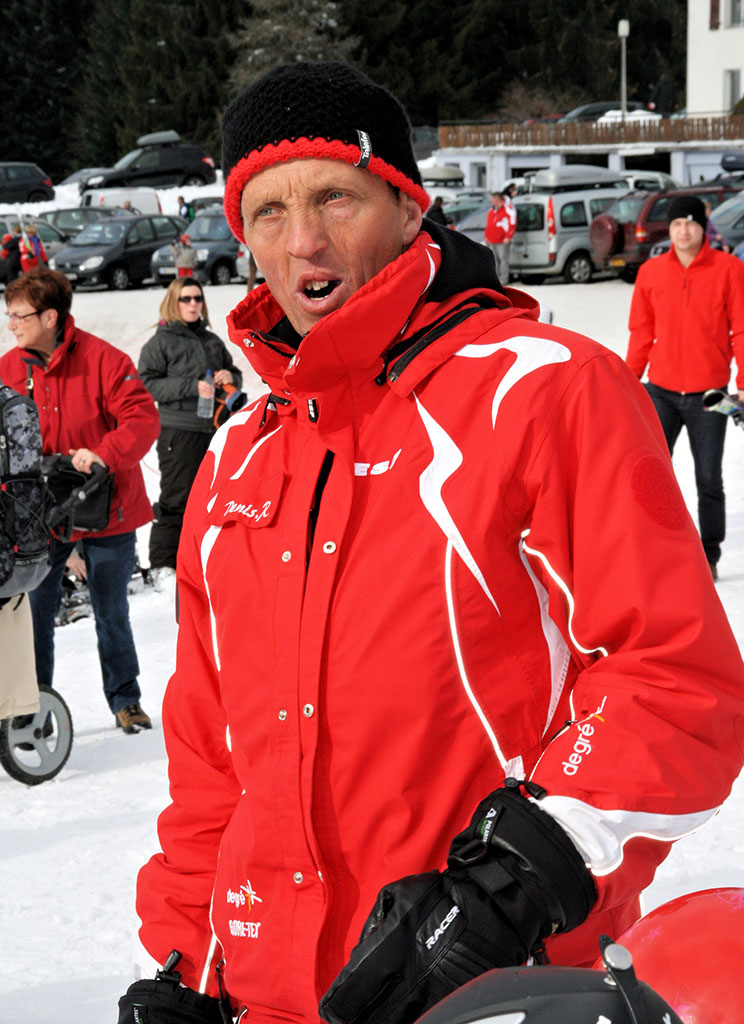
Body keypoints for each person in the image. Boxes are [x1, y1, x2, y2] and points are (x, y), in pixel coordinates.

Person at [119, 63, 744, 1024]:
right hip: (278, 995)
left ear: (410, 209)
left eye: (336, 195)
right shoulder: (238, 455)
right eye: (268, 212)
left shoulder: (540, 390)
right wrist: (190, 964)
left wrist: (512, 885)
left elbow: (673, 680)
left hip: (494, 985)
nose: (306, 241)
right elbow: (213, 756)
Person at [0, 269, 160, 734]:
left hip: (106, 508)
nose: (11, 324)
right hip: (39, 517)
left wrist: (104, 454)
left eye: (18, 315)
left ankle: (125, 699)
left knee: (112, 613)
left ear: (49, 316)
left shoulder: (104, 360)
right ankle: (32, 708)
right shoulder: (10, 368)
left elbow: (142, 419)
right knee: (34, 616)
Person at [626, 195, 744, 579]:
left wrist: (742, 384)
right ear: (669, 228)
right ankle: (653, 547)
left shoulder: (729, 269)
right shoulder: (651, 273)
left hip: (710, 395)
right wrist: (629, 381)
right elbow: (641, 332)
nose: (683, 231)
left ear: (702, 226)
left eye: (690, 223)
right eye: (677, 224)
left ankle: (708, 554)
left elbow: (741, 330)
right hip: (660, 391)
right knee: (650, 475)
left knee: (709, 478)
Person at [137, 277, 242, 590]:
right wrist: (189, 386)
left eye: (197, 298)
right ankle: (163, 563)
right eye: (186, 299)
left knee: (214, 495)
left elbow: (234, 374)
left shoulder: (211, 340)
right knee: (177, 496)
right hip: (178, 431)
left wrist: (230, 375)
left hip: (213, 428)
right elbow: (146, 382)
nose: (193, 304)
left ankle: (203, 555)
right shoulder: (162, 341)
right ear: (174, 302)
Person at [484, 190, 511, 283]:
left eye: (493, 199)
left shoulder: (506, 210)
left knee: (503, 260)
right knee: (494, 261)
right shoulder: (492, 211)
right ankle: (496, 280)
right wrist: (486, 235)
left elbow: (511, 224)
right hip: (491, 240)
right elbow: (489, 224)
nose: (491, 201)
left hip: (502, 240)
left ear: (497, 199)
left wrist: (508, 236)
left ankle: (504, 279)